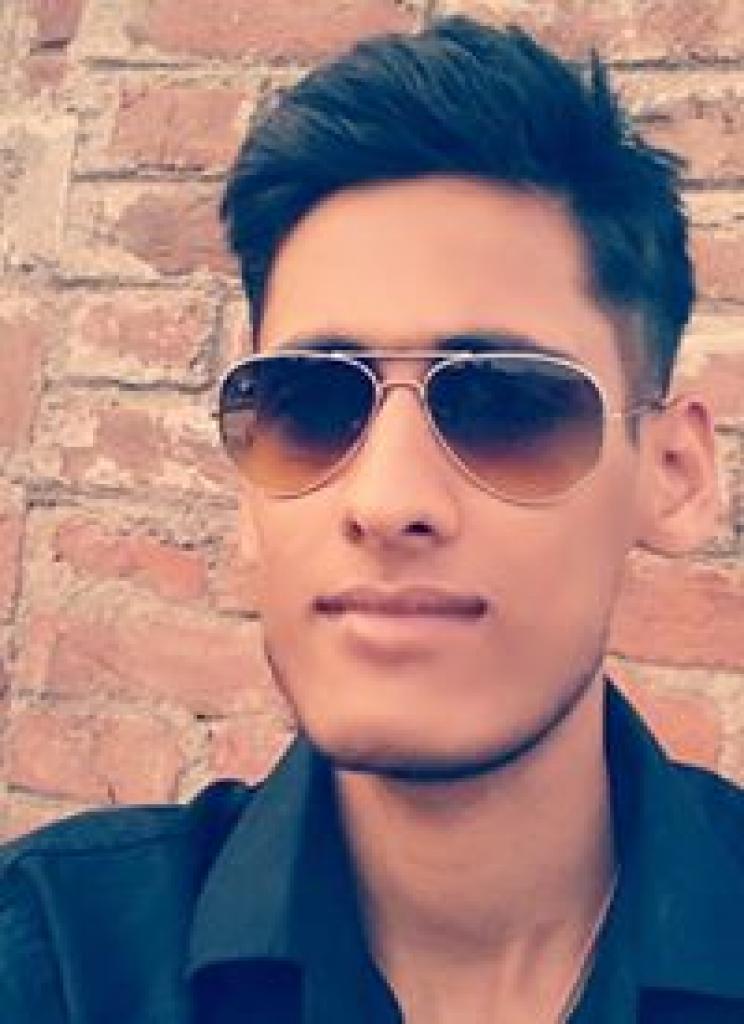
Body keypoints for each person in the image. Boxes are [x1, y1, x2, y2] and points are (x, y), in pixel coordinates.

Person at [1, 14, 742, 1024]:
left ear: (674, 474)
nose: (386, 501)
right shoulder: (57, 959)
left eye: (503, 403)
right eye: (311, 406)